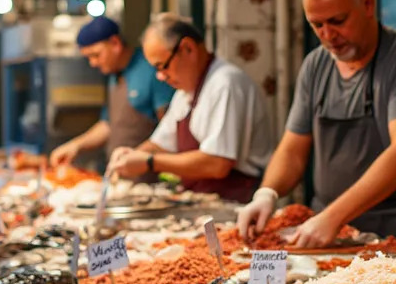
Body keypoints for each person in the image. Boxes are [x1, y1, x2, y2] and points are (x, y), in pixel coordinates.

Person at [237, 0, 396, 247]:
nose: (327, 35)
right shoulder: (315, 64)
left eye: (337, 21)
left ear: (368, 5)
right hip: (332, 234)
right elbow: (292, 149)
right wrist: (267, 194)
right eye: (317, 25)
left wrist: (332, 217)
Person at [108, 14, 274, 201]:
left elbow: (217, 163)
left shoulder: (225, 83)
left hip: (236, 203)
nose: (161, 77)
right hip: (204, 200)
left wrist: (149, 162)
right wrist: (132, 155)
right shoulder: (185, 92)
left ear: (188, 48)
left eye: (163, 66)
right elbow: (161, 143)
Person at [48, 16, 175, 177]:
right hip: (121, 180)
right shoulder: (114, 76)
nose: (93, 63)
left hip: (152, 181)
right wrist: (75, 145)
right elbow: (109, 124)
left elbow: (171, 131)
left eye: (96, 55)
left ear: (115, 43)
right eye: (88, 58)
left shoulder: (152, 71)